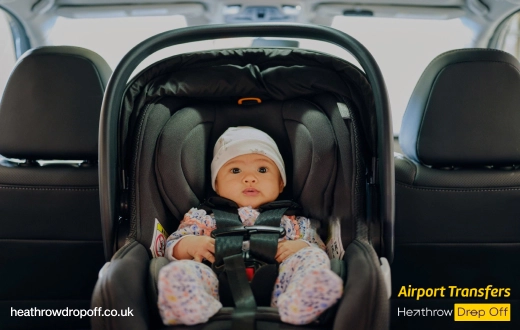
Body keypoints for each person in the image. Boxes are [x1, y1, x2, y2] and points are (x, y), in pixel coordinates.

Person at [158, 126, 343, 326]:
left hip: (281, 283)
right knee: (183, 270)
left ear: (280, 183)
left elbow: (319, 248)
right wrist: (191, 245)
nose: (249, 178)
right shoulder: (202, 219)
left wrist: (302, 247)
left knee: (312, 258)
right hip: (215, 281)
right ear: (217, 184)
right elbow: (171, 246)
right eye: (235, 170)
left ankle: (301, 302)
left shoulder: (294, 223)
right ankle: (192, 307)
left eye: (262, 169)